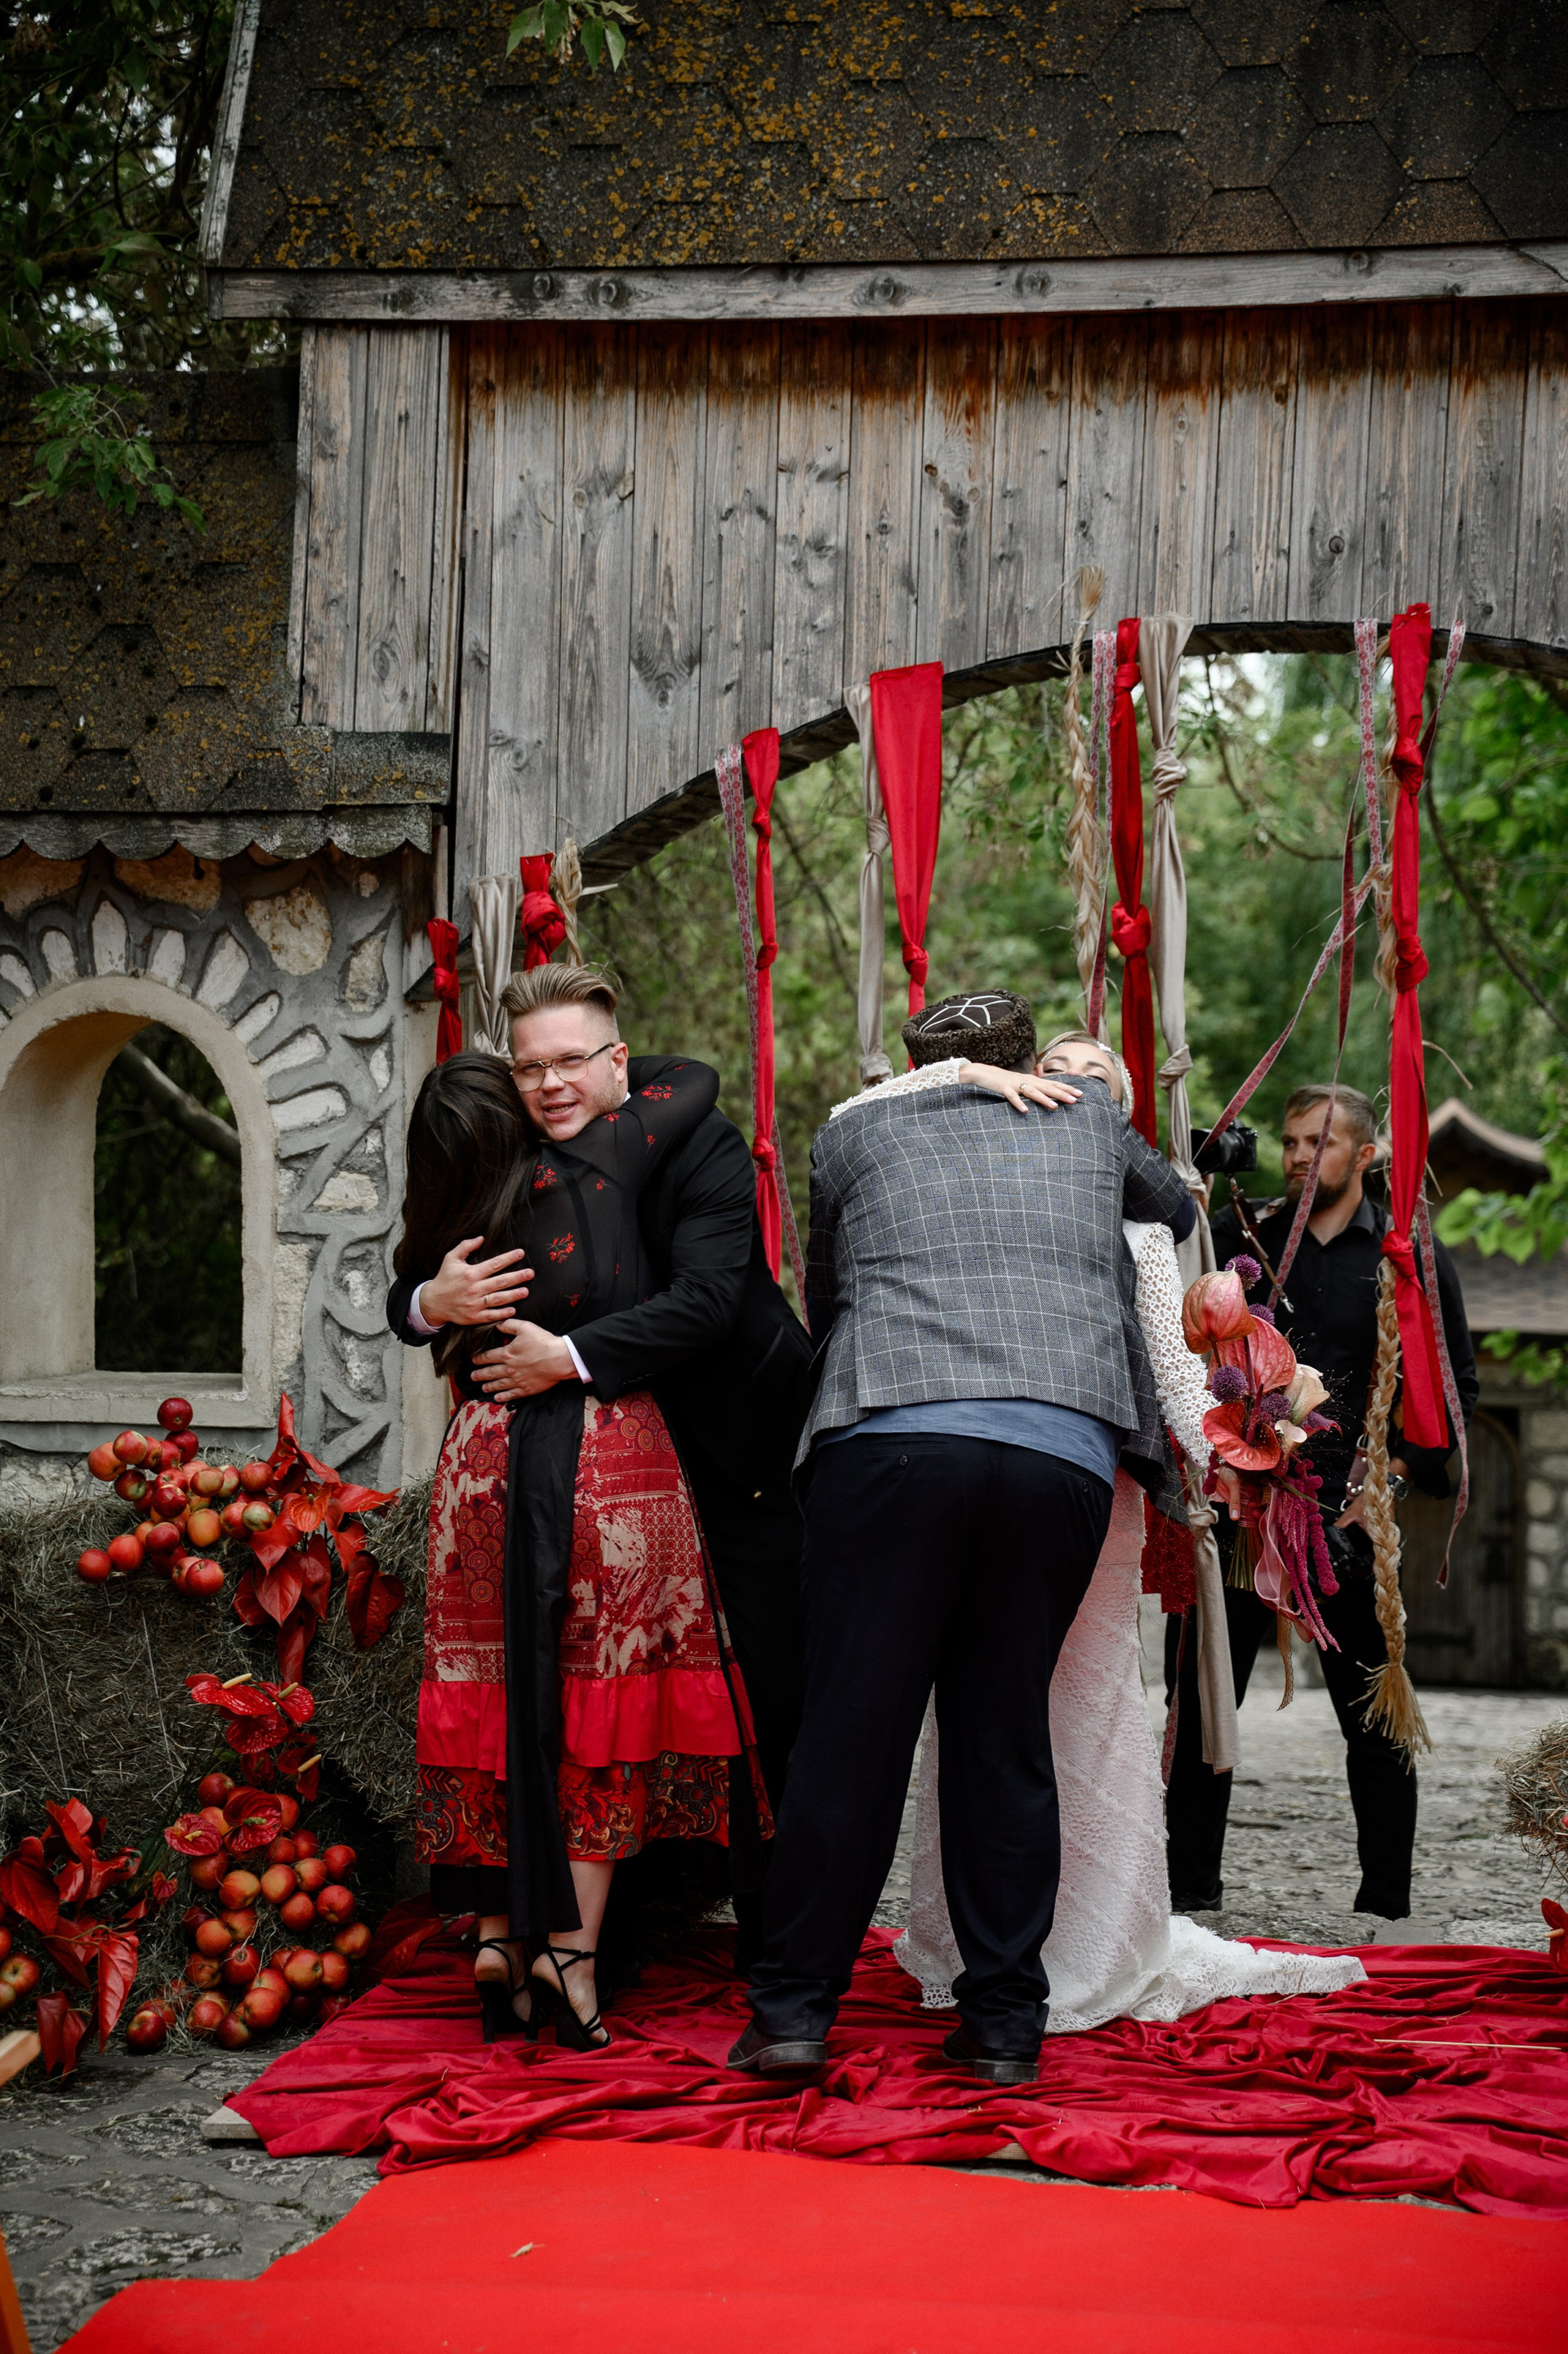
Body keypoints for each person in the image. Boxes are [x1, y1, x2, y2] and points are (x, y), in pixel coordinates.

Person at [730, 990, 1200, 2088]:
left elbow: (829, 1297)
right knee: (1004, 1734)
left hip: (892, 1433)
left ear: (915, 1062)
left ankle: (795, 2011)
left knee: (852, 1734)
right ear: (1027, 1058)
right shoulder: (1089, 1119)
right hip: (1057, 1446)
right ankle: (1003, 2025)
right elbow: (1174, 1212)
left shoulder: (851, 1130)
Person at [897, 1026, 1365, 2027]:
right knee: (974, 1693)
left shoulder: (1144, 1225)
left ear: (1120, 1113)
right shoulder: (980, 1189)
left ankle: (1094, 1934)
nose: (1073, 1086)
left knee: (1086, 1698)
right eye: (1054, 1071)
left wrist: (1246, 1453)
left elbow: (1173, 1365)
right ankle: (970, 1933)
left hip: (1091, 1481)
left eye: (1095, 1077)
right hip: (977, 1475)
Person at [390, 963, 813, 1975]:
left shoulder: (698, 1142)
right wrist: (429, 1304)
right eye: (529, 1066)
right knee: (593, 1691)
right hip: (596, 1466)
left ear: (620, 1061)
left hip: (731, 1447)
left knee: (764, 1686)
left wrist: (568, 1357)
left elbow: (707, 1300)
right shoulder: (515, 1142)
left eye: (571, 1061)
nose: (550, 1085)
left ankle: (780, 1953)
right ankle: (609, 1933)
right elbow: (418, 1260)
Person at [1165, 1081, 1477, 1925]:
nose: (1300, 1156)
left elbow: (1454, 1389)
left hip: (1346, 1515)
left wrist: (1385, 1491)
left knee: (1375, 1713)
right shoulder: (1242, 1237)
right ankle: (1189, 1897)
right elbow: (1181, 1347)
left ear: (1365, 1154)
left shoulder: (1406, 1255)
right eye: (1292, 1142)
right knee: (1200, 1703)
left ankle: (1386, 1909)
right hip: (1239, 1507)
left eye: (1321, 1142)